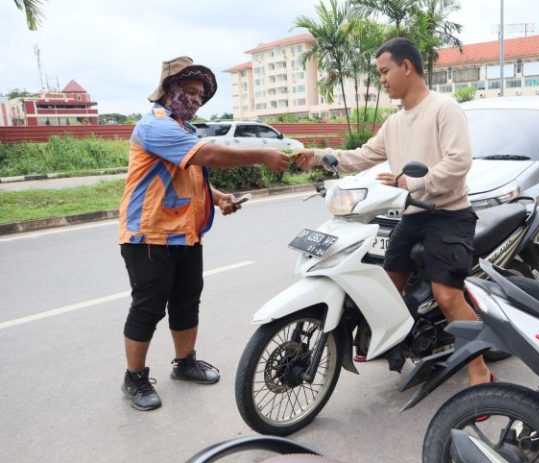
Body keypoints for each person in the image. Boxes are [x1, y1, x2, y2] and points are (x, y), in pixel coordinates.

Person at [294, 38, 491, 387]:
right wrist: (322, 155)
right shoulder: (395, 122)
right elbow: (364, 155)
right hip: (412, 217)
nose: (381, 79)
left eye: (384, 72)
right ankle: (404, 341)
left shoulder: (443, 109)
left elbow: (459, 162)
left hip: (449, 215)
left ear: (407, 67)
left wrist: (412, 182)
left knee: (447, 295)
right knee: (385, 288)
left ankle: (479, 370)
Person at [118, 56, 291, 411]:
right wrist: (264, 155)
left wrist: (217, 197)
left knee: (186, 301)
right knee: (148, 308)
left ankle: (185, 363)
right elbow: (210, 155)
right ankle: (133, 378)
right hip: (149, 236)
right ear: (169, 90)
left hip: (185, 235)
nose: (196, 99)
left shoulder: (184, 130)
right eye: (190, 91)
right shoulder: (156, 126)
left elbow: (188, 176)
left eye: (200, 94)